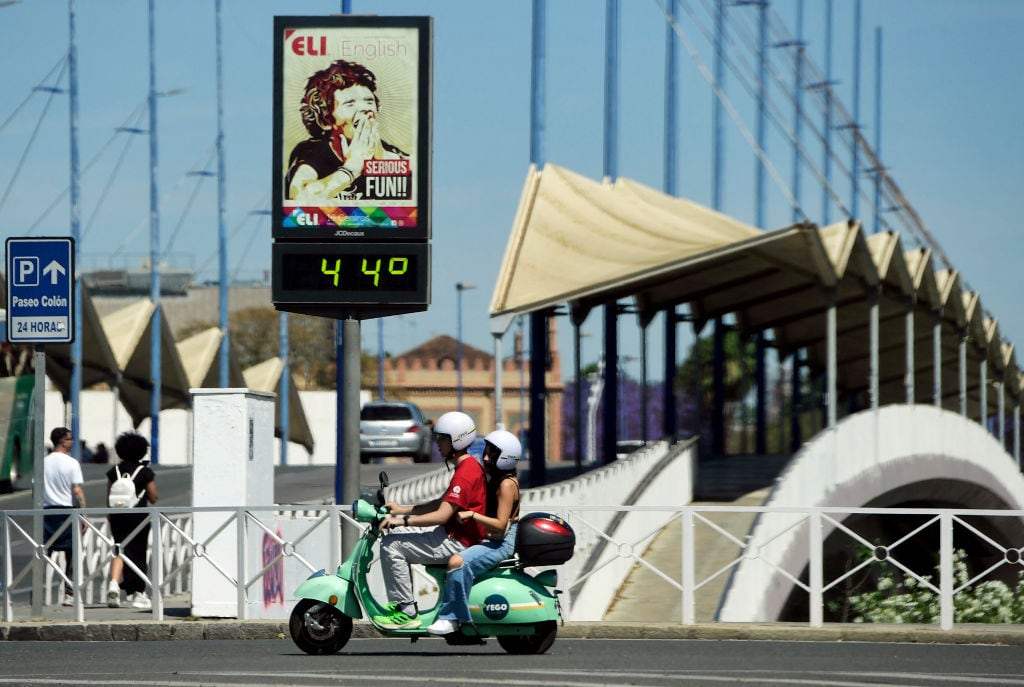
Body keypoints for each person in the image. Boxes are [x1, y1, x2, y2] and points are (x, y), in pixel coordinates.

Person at [374, 411, 486, 628]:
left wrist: (403, 521)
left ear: (456, 440)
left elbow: (442, 515)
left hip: (457, 541)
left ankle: (405, 611)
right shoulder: (467, 467)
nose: (437, 443)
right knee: (397, 539)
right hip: (452, 535)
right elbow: (442, 502)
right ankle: (404, 607)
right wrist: (401, 509)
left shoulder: (466, 473)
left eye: (442, 438)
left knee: (391, 545)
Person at [427, 429, 522, 635]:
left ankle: (452, 619)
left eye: (492, 455)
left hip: (502, 542)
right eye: (485, 452)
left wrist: (472, 515)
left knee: (456, 562)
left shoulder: (506, 484)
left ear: (506, 457)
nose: (486, 458)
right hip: (494, 539)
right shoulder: (498, 479)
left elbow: (500, 524)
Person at [285, 59, 408, 203]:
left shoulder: (387, 151)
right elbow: (299, 198)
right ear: (326, 120)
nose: (366, 108)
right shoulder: (311, 152)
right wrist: (351, 168)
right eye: (350, 103)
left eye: (369, 101)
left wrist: (383, 160)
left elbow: (420, 182)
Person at [105, 431, 158, 610]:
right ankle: (138, 594)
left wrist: (111, 514)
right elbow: (154, 497)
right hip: (139, 518)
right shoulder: (145, 472)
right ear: (142, 451)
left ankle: (114, 583)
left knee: (118, 549)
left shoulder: (115, 471)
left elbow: (109, 494)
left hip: (118, 516)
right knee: (138, 553)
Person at [42, 426, 86, 607]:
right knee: (72, 554)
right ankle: (69, 594)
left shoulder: (42, 462)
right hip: (67, 512)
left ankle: (37, 593)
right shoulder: (72, 463)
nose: (72, 441)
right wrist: (83, 515)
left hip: (45, 512)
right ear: (63, 441)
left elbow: (35, 489)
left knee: (43, 553)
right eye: (70, 438)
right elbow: (77, 491)